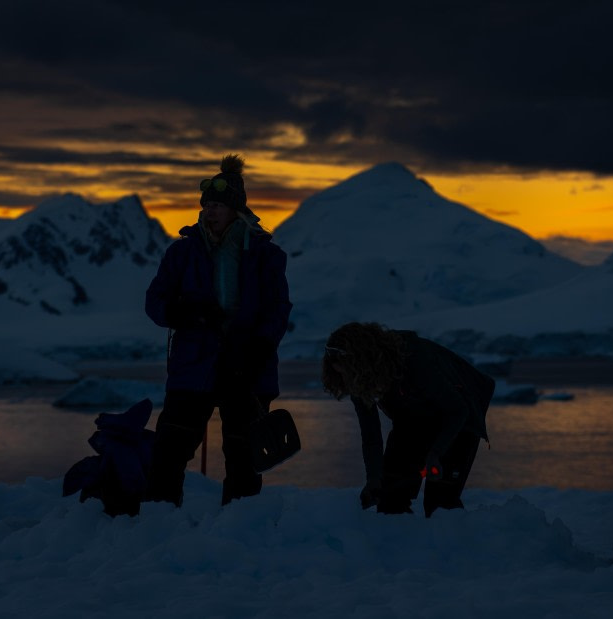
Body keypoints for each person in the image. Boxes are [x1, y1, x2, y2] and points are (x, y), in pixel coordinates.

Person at [144, 154, 292, 506]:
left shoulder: (266, 255)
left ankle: (239, 526)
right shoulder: (182, 252)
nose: (210, 211)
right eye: (206, 204)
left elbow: (278, 308)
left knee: (244, 455)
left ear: (235, 209)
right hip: (195, 363)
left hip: (247, 366)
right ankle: (159, 522)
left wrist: (259, 346)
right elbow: (155, 302)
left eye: (218, 205)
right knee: (171, 447)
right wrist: (189, 314)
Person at [322, 322, 495, 517]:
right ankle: (400, 544)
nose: (344, 378)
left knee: (440, 504)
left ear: (361, 362)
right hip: (413, 419)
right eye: (339, 373)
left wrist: (436, 452)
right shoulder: (357, 380)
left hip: (459, 419)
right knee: (390, 499)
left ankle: (457, 543)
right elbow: (371, 435)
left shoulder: (415, 360)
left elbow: (457, 410)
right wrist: (374, 479)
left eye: (346, 371)